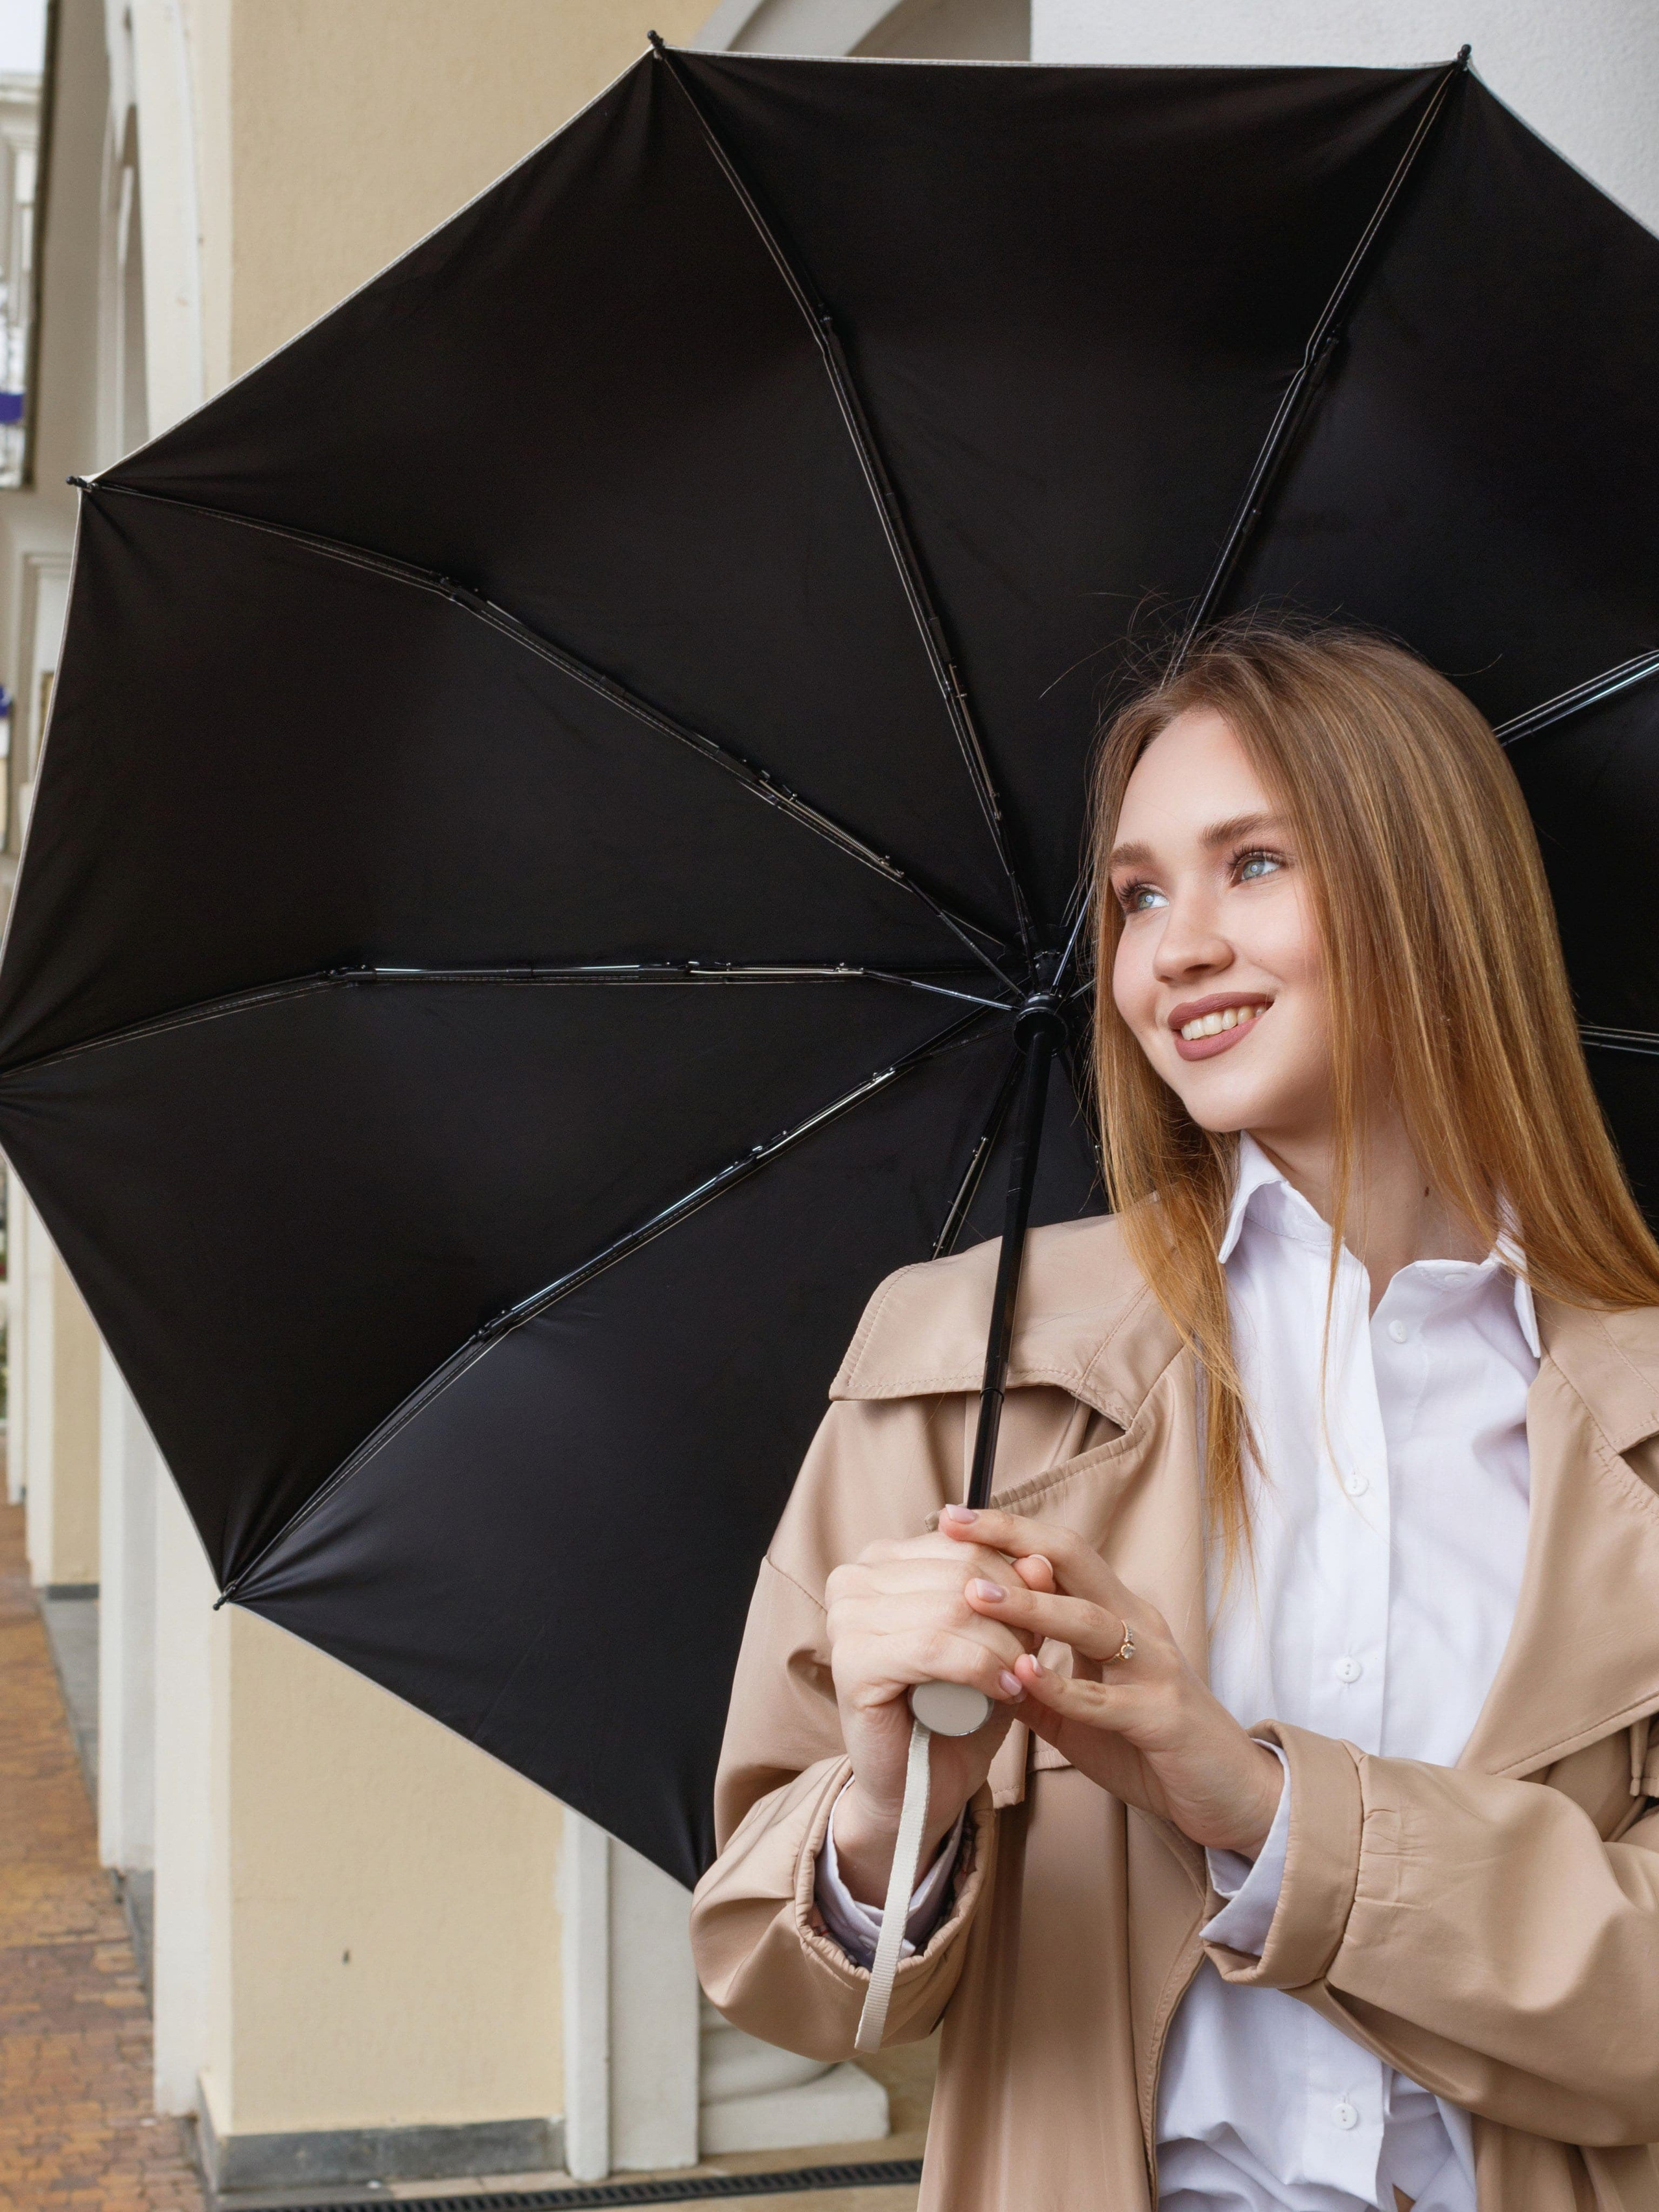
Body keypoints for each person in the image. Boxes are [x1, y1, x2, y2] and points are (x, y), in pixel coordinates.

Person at [688, 622, 1659, 2212]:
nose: (1170, 948)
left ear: (1430, 894)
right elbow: (780, 1983)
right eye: (1137, 894)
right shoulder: (962, 1366)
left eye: (1252, 864)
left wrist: (1265, 1809)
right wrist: (888, 1807)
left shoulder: (1627, 1413)